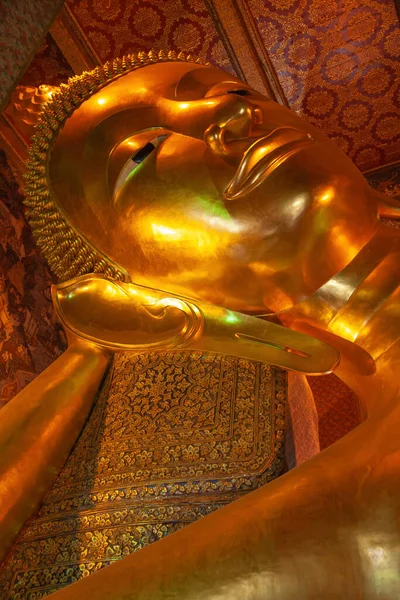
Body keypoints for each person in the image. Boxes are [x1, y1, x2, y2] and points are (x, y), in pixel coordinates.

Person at [1, 51, 399, 599]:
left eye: (233, 92)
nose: (232, 117)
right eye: (142, 153)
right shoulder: (371, 504)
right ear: (132, 291)